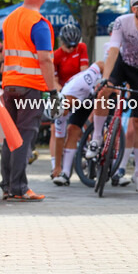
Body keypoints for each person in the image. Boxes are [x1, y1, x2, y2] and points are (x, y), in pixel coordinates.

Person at [84, 0, 138, 194]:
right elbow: (113, 51)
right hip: (122, 65)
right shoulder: (122, 22)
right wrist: (105, 78)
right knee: (104, 91)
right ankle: (96, 138)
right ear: (134, 9)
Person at [0, 0, 60, 201]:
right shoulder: (39, 24)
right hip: (31, 88)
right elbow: (45, 59)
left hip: (10, 86)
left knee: (11, 136)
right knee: (25, 136)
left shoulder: (10, 19)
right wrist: (53, 92)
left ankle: (7, 186)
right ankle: (20, 188)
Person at [51, 52, 106, 186]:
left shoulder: (82, 82)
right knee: (72, 130)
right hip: (82, 103)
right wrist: (56, 166)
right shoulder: (59, 113)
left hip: (97, 91)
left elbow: (100, 64)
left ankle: (115, 162)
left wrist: (107, 80)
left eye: (63, 113)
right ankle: (65, 172)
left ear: (64, 104)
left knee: (100, 112)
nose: (63, 116)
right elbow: (59, 140)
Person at [50, 23, 88, 179]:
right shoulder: (56, 55)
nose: (71, 48)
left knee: (81, 125)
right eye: (68, 45)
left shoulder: (82, 48)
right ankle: (55, 165)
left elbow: (84, 72)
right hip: (61, 91)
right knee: (55, 129)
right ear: (61, 41)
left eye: (74, 45)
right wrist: (63, 95)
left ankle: (84, 152)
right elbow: (53, 81)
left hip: (78, 90)